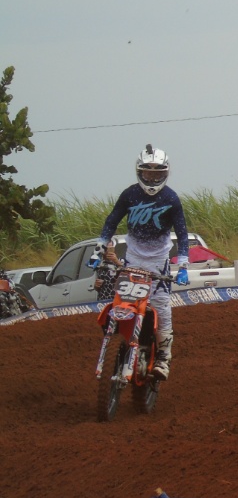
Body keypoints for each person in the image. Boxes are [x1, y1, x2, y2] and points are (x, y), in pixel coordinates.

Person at [88, 144, 190, 381]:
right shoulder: (129, 195)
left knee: (162, 306)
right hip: (132, 259)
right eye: (148, 172)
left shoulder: (171, 198)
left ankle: (164, 356)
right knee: (120, 303)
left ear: (165, 173)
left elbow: (182, 233)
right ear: (140, 172)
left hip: (159, 263)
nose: (152, 177)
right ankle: (114, 341)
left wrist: (183, 265)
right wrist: (98, 251)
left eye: (157, 172)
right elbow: (111, 222)